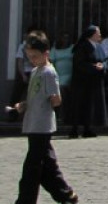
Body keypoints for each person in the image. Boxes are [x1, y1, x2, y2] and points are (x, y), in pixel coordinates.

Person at [8, 33, 78, 204]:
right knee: (47, 166)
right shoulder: (35, 71)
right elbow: (35, 97)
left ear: (46, 53)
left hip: (42, 125)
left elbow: (56, 99)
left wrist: (52, 100)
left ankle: (26, 200)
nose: (32, 60)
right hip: (33, 123)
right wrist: (24, 105)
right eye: (29, 57)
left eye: (35, 56)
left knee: (32, 167)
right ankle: (65, 195)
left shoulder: (48, 72)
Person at [68, 26, 107, 138]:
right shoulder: (82, 46)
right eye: (98, 33)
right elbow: (79, 64)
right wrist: (94, 67)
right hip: (81, 82)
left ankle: (87, 128)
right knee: (79, 105)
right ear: (92, 35)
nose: (100, 35)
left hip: (93, 82)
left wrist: (102, 66)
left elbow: (104, 60)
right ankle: (74, 129)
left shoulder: (98, 47)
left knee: (90, 106)